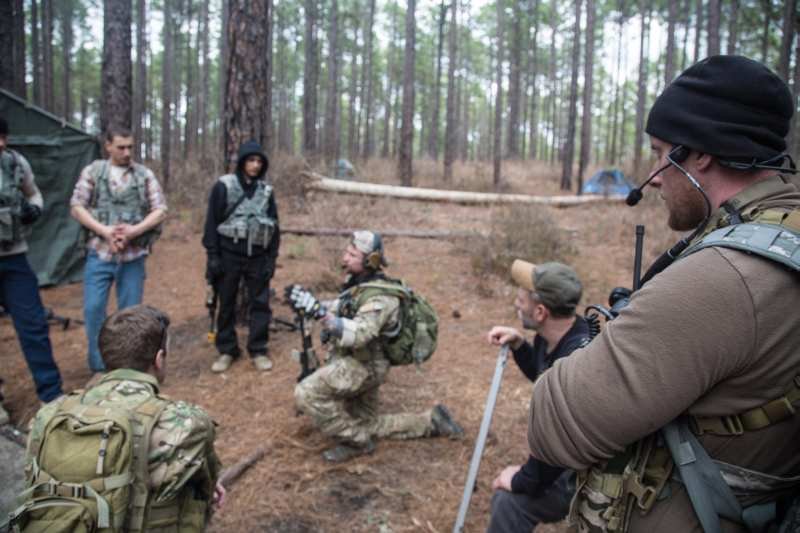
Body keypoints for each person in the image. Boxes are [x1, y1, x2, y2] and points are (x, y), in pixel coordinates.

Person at [527, 55, 800, 532]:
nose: (653, 177)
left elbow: (553, 423)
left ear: (700, 154)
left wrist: (599, 345)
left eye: (660, 153)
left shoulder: (728, 277)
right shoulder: (782, 233)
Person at [20, 305, 224, 530]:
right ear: (159, 359)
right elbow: (208, 485)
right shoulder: (186, 421)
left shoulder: (49, 414)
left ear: (105, 355)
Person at [292, 230, 463, 462]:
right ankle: (432, 421)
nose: (345, 258)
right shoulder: (362, 285)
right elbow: (346, 307)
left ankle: (357, 442)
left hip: (363, 367)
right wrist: (314, 305)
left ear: (371, 260)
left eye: (352, 254)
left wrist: (321, 315)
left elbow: (360, 333)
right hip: (363, 361)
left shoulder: (381, 297)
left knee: (306, 393)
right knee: (369, 423)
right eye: (347, 251)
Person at [485, 260, 589, 533]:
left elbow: (557, 449)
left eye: (521, 299)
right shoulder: (558, 334)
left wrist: (521, 480)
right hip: (568, 460)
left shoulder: (573, 365)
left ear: (541, 312)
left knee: (508, 502)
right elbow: (541, 377)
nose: (517, 304)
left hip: (582, 479)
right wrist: (520, 345)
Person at [70, 128, 167, 374]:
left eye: (130, 147)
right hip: (99, 254)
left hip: (133, 257)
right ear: (108, 146)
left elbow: (160, 210)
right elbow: (77, 206)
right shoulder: (94, 172)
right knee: (93, 310)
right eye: (121, 147)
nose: (127, 152)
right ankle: (100, 368)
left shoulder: (143, 175)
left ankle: (130, 370)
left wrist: (134, 231)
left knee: (131, 315)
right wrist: (105, 231)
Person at [0, 116, 63, 418]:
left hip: (14, 258)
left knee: (33, 324)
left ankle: (51, 394)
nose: (1, 143)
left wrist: (33, 208)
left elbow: (33, 192)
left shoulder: (15, 163)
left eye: (3, 137)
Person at [202, 140, 280, 373]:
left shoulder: (266, 192)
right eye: (250, 160)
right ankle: (227, 349)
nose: (255, 166)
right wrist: (213, 256)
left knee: (260, 303)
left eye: (259, 161)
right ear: (242, 162)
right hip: (228, 254)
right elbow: (211, 223)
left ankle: (258, 349)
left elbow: (275, 227)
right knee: (225, 302)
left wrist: (271, 259)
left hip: (258, 255)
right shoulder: (224, 186)